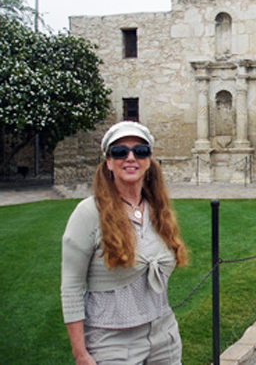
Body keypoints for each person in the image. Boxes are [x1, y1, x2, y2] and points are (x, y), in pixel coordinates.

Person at [61, 121, 188, 364]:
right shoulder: (88, 213)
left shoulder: (157, 210)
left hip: (163, 334)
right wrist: (80, 353)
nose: (131, 157)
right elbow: (71, 288)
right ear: (108, 162)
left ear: (148, 161)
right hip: (113, 340)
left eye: (140, 151)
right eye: (120, 152)